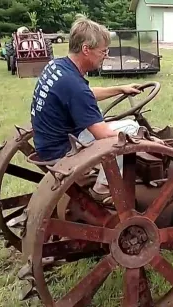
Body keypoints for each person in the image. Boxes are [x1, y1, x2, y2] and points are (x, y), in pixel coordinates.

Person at [30, 15, 145, 201]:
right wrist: (149, 142)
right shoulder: (74, 86)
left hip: (48, 142)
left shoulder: (58, 66)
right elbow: (102, 133)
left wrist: (119, 89)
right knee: (131, 129)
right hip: (64, 149)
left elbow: (86, 93)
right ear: (86, 49)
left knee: (124, 127)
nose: (105, 57)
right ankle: (103, 188)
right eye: (103, 52)